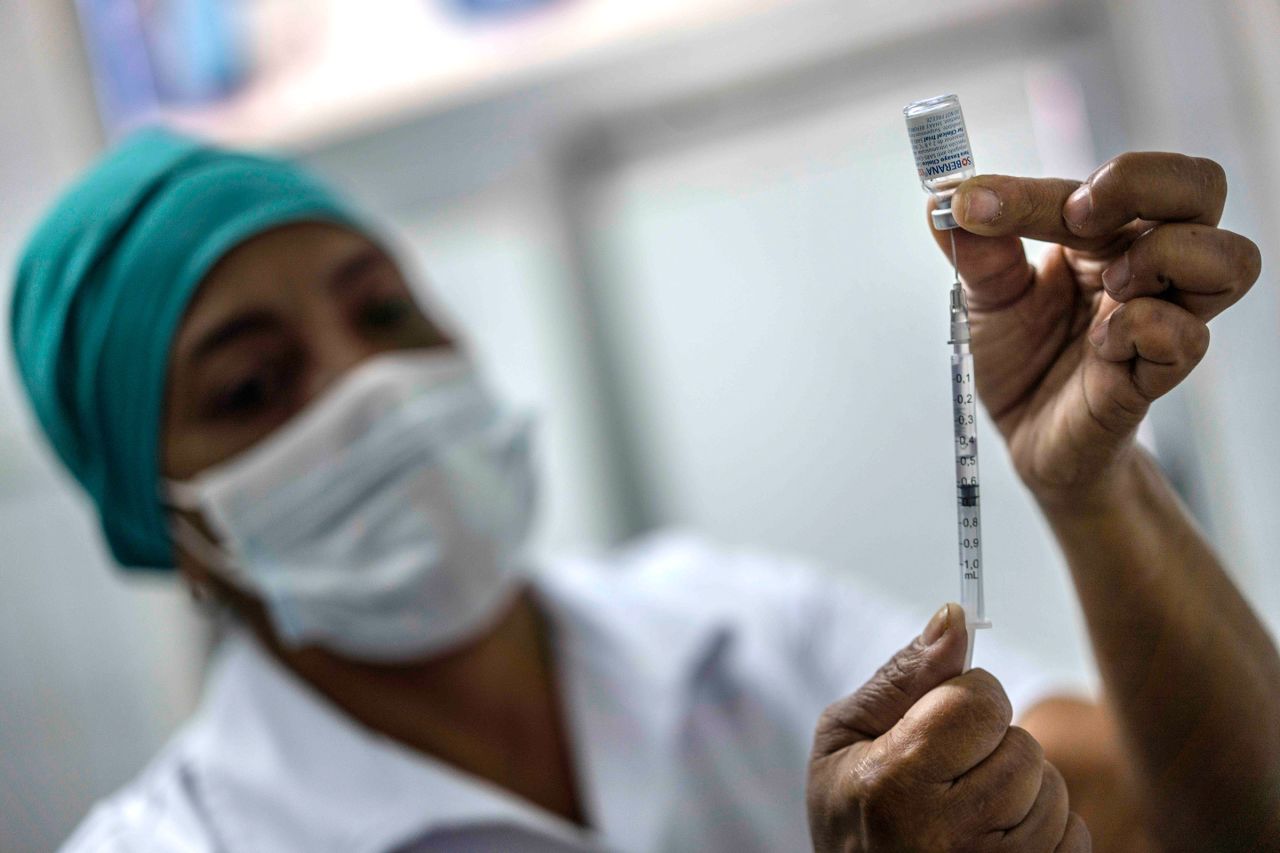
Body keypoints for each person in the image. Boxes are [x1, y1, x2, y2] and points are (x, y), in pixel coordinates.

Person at [9, 129, 1276, 853]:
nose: (369, 389)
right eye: (251, 388)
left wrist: (1094, 489)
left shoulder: (722, 633)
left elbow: (1216, 825)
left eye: (384, 311)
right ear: (174, 528)